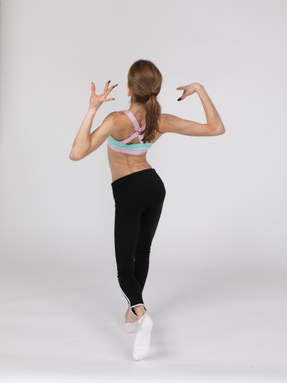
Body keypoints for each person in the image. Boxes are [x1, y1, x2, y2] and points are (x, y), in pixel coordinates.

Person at [69, 59, 225, 360]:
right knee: (143, 252)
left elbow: (77, 153)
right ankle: (131, 313)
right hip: (154, 187)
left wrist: (92, 108)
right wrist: (201, 91)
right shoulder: (160, 120)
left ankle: (142, 314)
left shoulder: (116, 120)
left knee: (125, 268)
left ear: (129, 88)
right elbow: (216, 128)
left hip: (128, 191)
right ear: (155, 90)